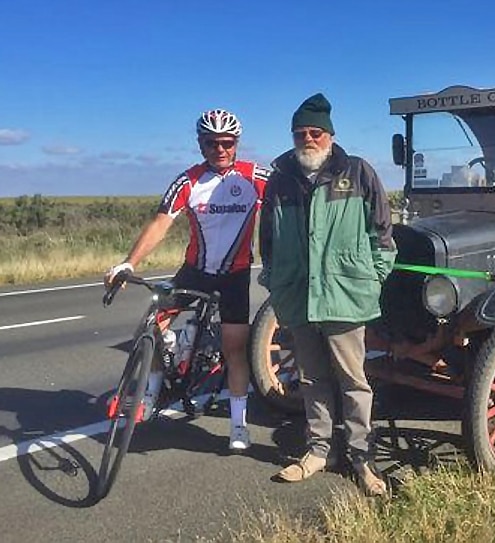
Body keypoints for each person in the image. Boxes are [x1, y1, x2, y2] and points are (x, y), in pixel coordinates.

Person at [104, 109, 269, 452]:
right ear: (200, 144)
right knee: (150, 326)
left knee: (234, 349)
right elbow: (160, 223)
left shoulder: (255, 176)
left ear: (236, 143)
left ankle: (238, 426)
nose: (219, 149)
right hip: (194, 271)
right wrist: (127, 263)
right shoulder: (188, 181)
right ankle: (148, 394)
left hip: (235, 276)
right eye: (211, 142)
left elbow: (293, 198)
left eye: (226, 142)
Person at [258, 93, 396, 496]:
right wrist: (275, 277)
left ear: (330, 136)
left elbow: (382, 234)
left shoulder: (358, 172)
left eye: (315, 132)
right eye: (300, 133)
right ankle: (319, 452)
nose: (308, 139)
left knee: (353, 380)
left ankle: (362, 459)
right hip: (299, 294)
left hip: (344, 294)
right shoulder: (280, 178)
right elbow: (267, 238)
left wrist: (372, 277)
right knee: (311, 377)